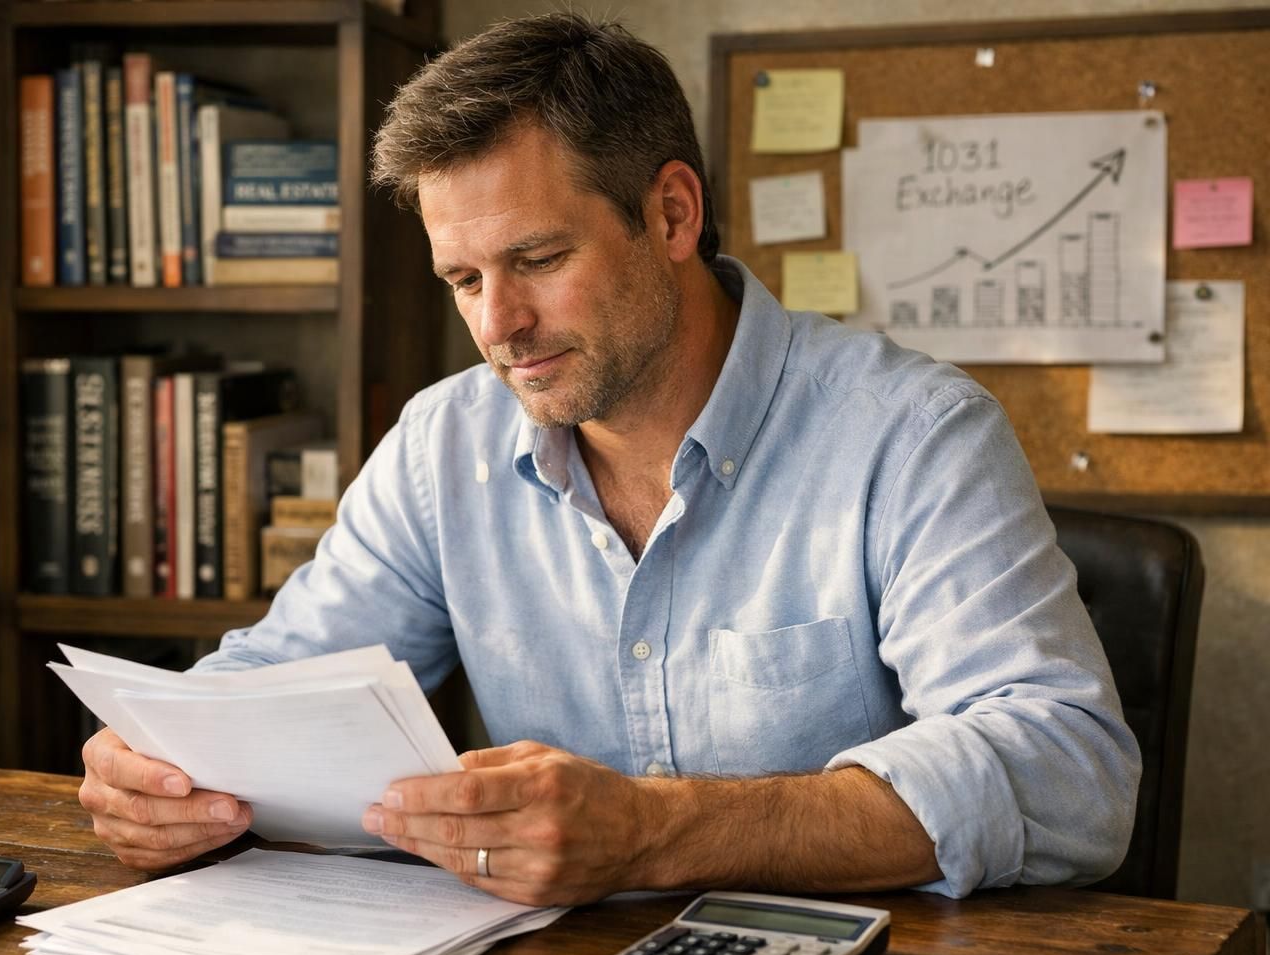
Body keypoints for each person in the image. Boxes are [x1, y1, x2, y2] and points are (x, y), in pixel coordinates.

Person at [79, 13, 1140, 907]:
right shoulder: (442, 445)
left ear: (671, 213)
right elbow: (277, 679)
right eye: (462, 279)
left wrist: (659, 830)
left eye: (539, 259)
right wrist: (160, 759)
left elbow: (1070, 771)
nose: (499, 324)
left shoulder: (910, 435)